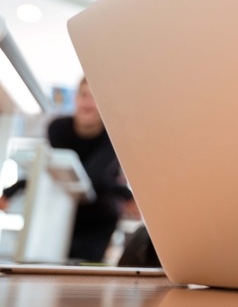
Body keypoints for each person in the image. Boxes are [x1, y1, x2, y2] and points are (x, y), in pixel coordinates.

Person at [1, 77, 138, 262]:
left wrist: (126, 194)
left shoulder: (113, 135)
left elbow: (88, 178)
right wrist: (12, 190)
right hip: (60, 211)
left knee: (82, 271)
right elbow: (54, 172)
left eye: (94, 97)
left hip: (98, 219)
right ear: (75, 98)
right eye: (83, 95)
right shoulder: (58, 128)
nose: (87, 102)